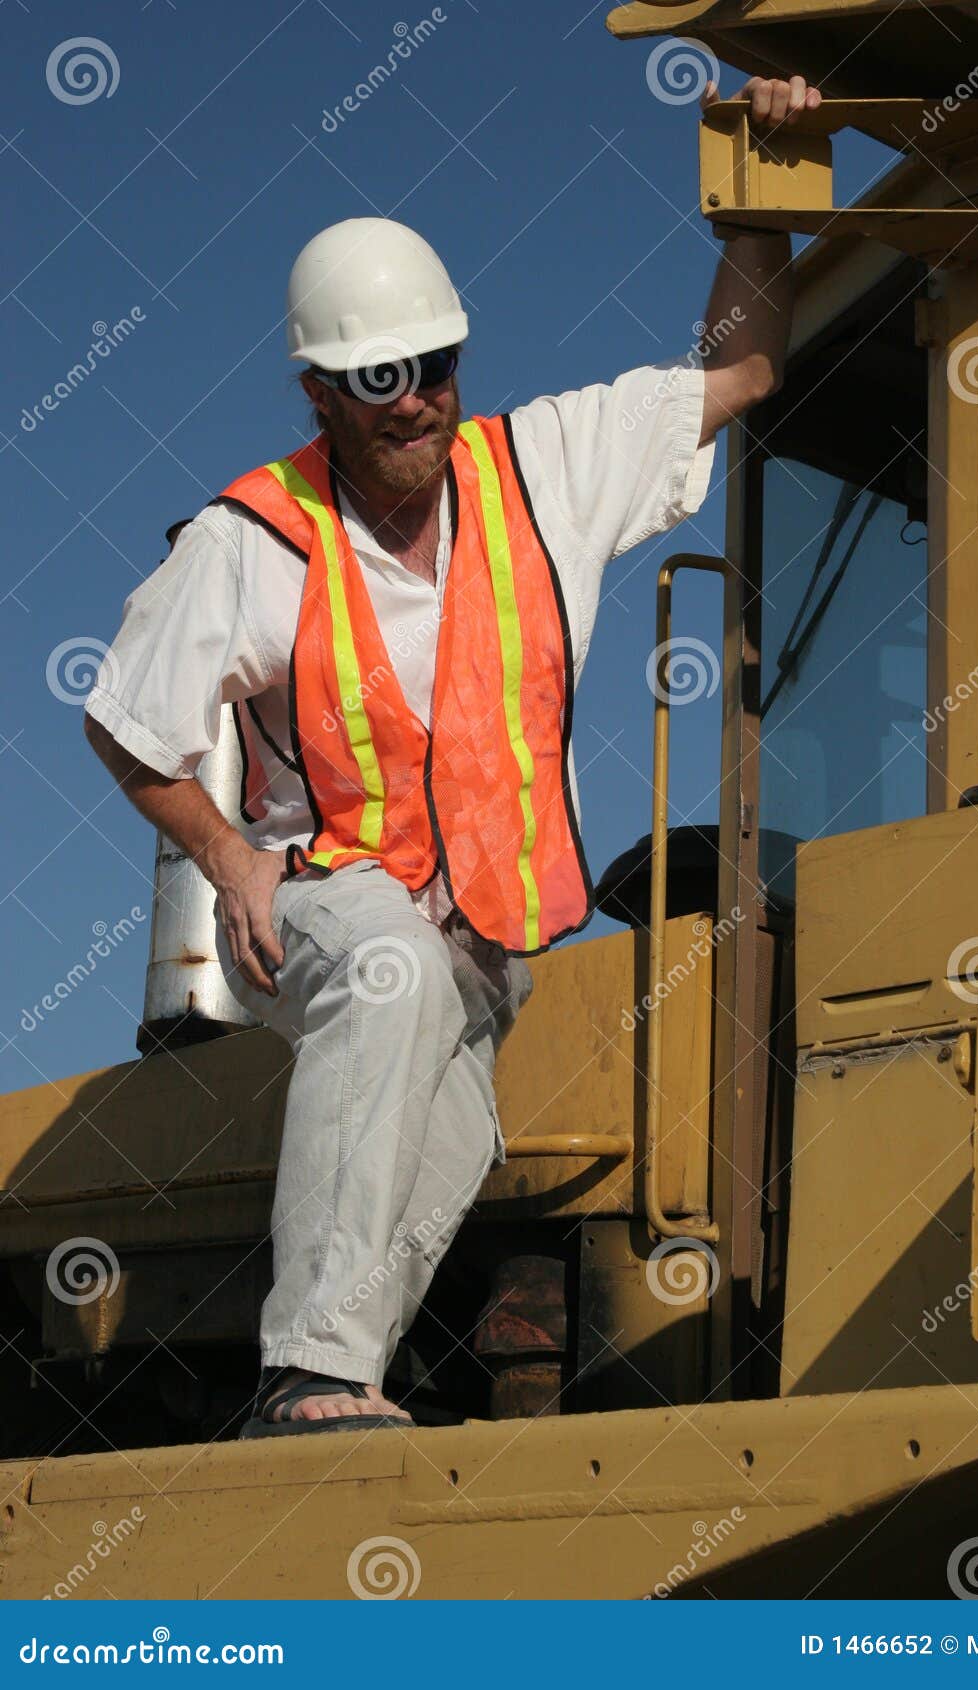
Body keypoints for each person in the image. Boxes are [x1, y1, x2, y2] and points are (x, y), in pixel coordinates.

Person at [84, 74, 821, 1437]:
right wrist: (229, 856)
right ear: (319, 391)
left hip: (485, 934)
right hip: (327, 894)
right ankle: (308, 1368)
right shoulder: (252, 542)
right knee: (386, 967)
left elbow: (746, 366)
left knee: (458, 1135)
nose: (415, 401)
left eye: (436, 366)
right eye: (379, 378)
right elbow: (127, 720)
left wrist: (759, 196)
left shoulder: (544, 469)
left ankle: (327, 1401)